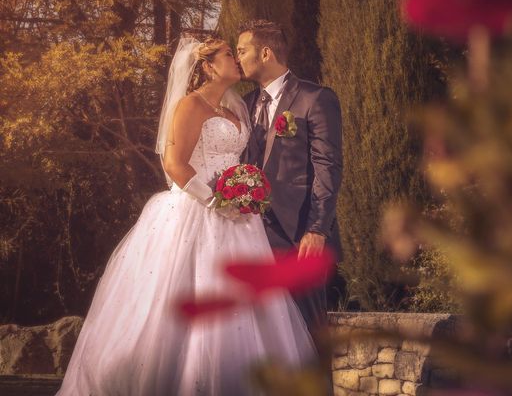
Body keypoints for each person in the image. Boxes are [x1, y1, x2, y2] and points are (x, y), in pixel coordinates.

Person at [56, 37, 315, 396]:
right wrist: (216, 201)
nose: (236, 60)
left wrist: (244, 190)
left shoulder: (235, 108)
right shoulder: (190, 106)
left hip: (240, 221)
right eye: (228, 55)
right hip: (197, 211)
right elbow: (174, 164)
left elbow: (240, 160)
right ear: (207, 66)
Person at [237, 20, 343, 333]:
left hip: (299, 238)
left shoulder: (316, 98)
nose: (238, 57)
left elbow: (329, 166)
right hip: (252, 237)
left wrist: (317, 229)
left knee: (307, 334)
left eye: (243, 51)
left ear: (265, 53)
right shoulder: (245, 105)